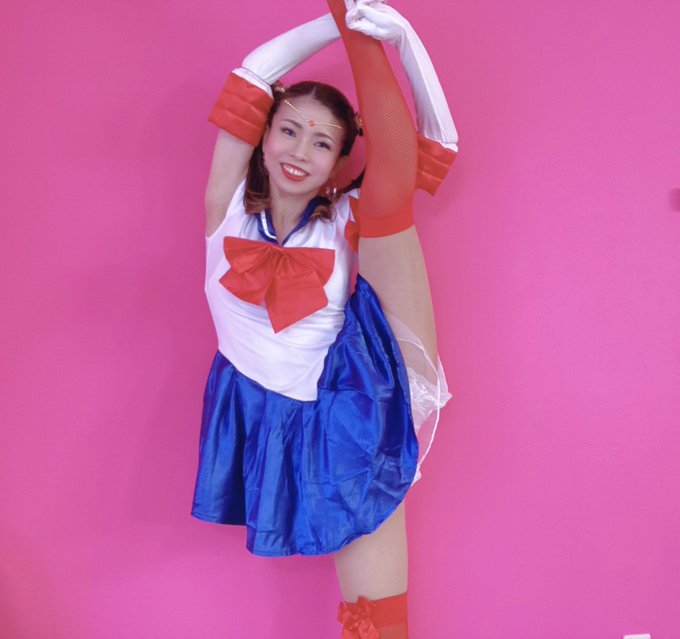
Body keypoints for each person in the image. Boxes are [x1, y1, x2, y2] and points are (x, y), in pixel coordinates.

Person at [191, 1, 459, 636]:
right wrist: (337, 16)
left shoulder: (343, 220)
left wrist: (398, 37)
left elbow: (431, 145)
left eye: (322, 143)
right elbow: (253, 73)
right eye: (288, 131)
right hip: (257, 407)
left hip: (347, 410)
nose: (299, 151)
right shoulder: (226, 209)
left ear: (338, 161)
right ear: (262, 137)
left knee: (376, 617)